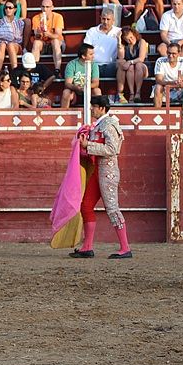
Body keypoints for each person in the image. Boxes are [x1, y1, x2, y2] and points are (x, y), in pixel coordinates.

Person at [70, 95, 132, 259]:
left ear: (102, 108)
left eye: (94, 106)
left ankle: (125, 248)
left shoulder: (109, 124)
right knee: (86, 205)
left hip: (108, 172)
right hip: (97, 171)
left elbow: (113, 149)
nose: (91, 109)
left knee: (112, 208)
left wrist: (88, 145)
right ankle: (87, 247)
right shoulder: (99, 125)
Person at [152, 43, 183, 108]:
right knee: (158, 87)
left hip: (180, 89)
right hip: (165, 89)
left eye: (173, 53)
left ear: (179, 53)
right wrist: (172, 83)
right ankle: (158, 113)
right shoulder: (160, 61)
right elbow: (158, 80)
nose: (170, 56)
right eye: (169, 53)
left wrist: (181, 83)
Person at [84, 7, 121, 79]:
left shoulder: (119, 32)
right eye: (103, 19)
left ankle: (121, 90)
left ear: (113, 20)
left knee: (122, 65)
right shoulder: (92, 31)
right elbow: (86, 48)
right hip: (94, 65)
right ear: (100, 18)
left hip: (112, 65)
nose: (105, 22)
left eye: (108, 19)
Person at [62, 43, 101, 109]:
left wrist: (85, 87)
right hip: (75, 90)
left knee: (97, 91)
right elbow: (67, 83)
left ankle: (97, 113)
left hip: (89, 90)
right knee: (66, 92)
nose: (93, 56)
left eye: (93, 54)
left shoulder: (94, 65)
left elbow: (96, 83)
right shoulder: (72, 64)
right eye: (91, 54)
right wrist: (77, 88)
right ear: (83, 56)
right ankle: (64, 114)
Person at [116, 26, 149, 104]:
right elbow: (121, 57)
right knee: (128, 67)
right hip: (130, 69)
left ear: (134, 34)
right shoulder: (125, 46)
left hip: (143, 66)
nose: (130, 40)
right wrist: (119, 41)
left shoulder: (141, 42)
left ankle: (138, 93)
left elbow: (141, 58)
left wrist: (130, 62)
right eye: (127, 39)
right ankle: (131, 94)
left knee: (138, 65)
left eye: (131, 37)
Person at [30, 0, 64, 73]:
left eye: (47, 7)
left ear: (52, 7)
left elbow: (58, 35)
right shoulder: (36, 18)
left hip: (56, 43)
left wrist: (48, 34)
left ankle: (57, 70)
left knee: (55, 41)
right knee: (36, 43)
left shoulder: (58, 17)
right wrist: (39, 33)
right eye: (43, 7)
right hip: (43, 43)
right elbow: (36, 36)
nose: (45, 9)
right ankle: (35, 70)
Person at [0, 0, 24, 73]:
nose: (8, 9)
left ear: (15, 9)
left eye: (10, 8)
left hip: (15, 45)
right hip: (2, 44)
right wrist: (8, 35)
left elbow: (17, 37)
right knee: (2, 45)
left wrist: (6, 35)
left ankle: (15, 71)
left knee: (10, 44)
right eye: (6, 8)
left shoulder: (19, 22)